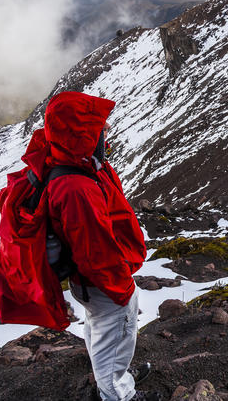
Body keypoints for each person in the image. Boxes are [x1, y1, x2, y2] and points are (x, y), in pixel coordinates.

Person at [41, 91, 156, 401]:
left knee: (102, 331)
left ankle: (114, 379)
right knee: (114, 335)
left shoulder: (78, 163)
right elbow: (95, 251)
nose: (104, 133)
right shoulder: (76, 187)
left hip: (92, 282)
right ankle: (118, 394)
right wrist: (122, 289)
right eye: (97, 129)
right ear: (80, 135)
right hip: (102, 281)